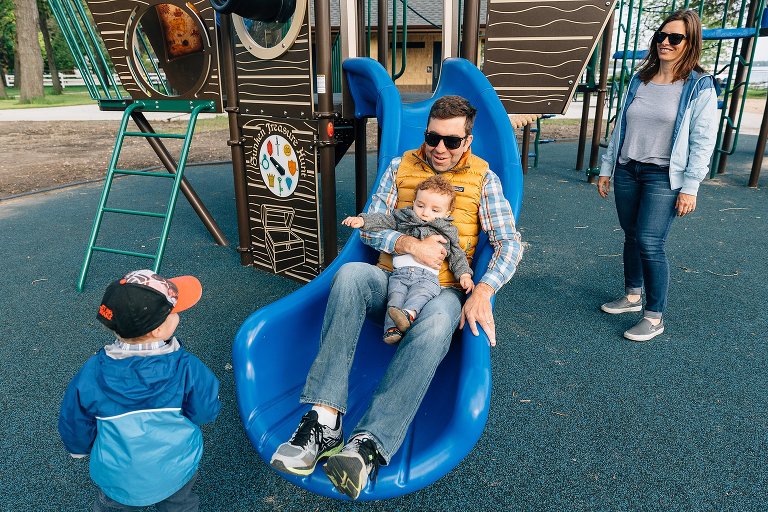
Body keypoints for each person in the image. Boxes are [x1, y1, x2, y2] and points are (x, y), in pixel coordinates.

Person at [270, 95, 524, 499]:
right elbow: (370, 228)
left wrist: (486, 289)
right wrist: (406, 242)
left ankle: (369, 442)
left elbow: (508, 242)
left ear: (468, 141)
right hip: (392, 276)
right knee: (352, 274)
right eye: (432, 137)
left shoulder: (484, 179)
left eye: (451, 142)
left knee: (440, 318)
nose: (440, 148)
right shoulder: (399, 166)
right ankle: (325, 418)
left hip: (442, 288)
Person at [597, 9, 718, 342]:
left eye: (674, 38)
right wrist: (608, 167)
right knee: (631, 235)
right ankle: (632, 295)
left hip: (663, 176)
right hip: (627, 168)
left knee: (651, 243)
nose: (665, 42)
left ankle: (654, 316)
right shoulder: (641, 79)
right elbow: (621, 125)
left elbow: (702, 141)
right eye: (661, 36)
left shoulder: (699, 86)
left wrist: (690, 187)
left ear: (689, 43)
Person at [58, 269, 221, 511]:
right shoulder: (187, 367)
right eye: (173, 312)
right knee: (179, 504)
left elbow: (74, 418)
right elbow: (205, 412)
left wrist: (79, 449)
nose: (178, 315)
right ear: (157, 330)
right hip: (174, 467)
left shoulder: (92, 371)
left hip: (118, 474)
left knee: (114, 507)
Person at [342, 174, 474, 344]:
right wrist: (362, 220)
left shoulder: (447, 230)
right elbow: (384, 220)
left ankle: (409, 315)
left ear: (447, 213)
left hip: (427, 279)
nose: (425, 213)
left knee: (418, 296)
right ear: (414, 203)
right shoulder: (405, 218)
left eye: (435, 210)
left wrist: (464, 275)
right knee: (394, 298)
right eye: (420, 206)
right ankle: (392, 330)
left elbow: (457, 254)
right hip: (399, 275)